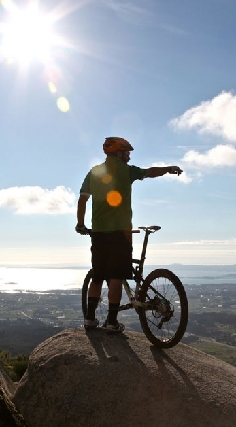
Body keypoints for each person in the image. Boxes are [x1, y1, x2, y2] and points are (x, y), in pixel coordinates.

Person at [75, 137, 182, 333]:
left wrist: (80, 224)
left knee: (97, 276)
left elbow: (82, 200)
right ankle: (112, 322)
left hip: (98, 232)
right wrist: (168, 169)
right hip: (120, 233)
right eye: (126, 152)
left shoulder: (94, 172)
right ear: (118, 152)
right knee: (116, 277)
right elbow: (149, 172)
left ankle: (90, 319)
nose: (129, 156)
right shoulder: (127, 171)